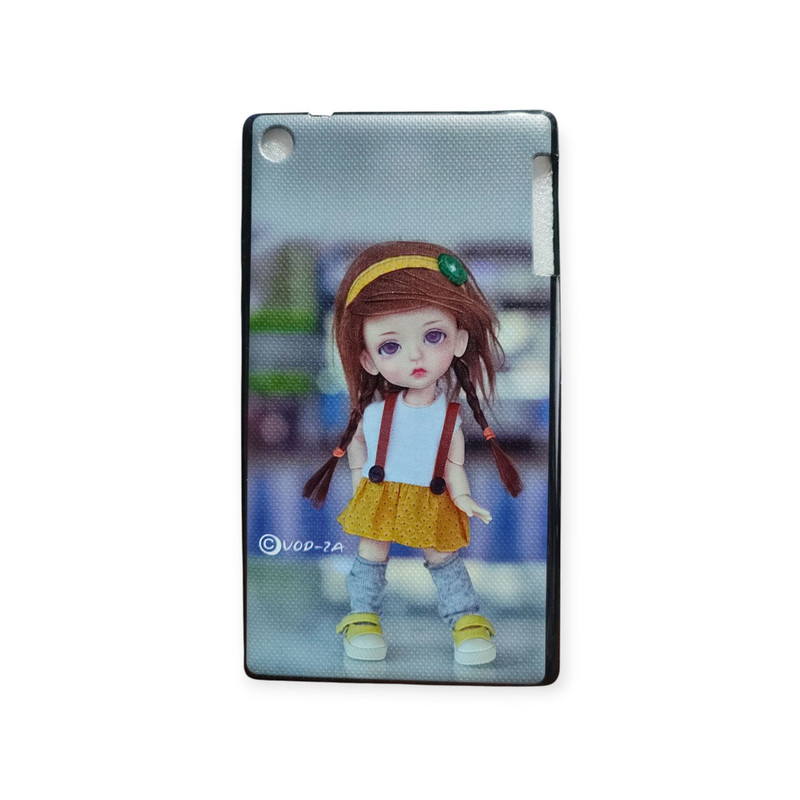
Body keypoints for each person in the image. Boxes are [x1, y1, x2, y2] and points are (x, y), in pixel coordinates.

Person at [304, 241, 521, 666]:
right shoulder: (373, 414)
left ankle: (465, 620)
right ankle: (363, 617)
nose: (416, 355)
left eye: (433, 336)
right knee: (372, 555)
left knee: (444, 558)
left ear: (459, 341)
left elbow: (453, 464)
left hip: (431, 495)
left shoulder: (449, 417)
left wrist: (463, 497)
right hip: (381, 491)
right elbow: (357, 449)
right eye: (390, 346)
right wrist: (359, 484)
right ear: (368, 359)